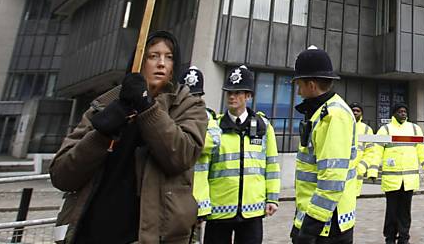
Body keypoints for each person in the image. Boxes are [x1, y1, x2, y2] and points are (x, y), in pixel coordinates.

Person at [50, 31, 207, 244]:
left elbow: (180, 156)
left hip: (148, 235)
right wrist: (100, 135)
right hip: (91, 230)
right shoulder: (104, 104)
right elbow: (62, 175)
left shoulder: (188, 105)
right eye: (153, 56)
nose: (161, 63)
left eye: (168, 57)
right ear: (138, 61)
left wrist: (147, 107)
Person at [203, 65, 281, 244]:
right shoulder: (214, 127)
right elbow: (203, 168)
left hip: (251, 210)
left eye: (238, 92)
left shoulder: (263, 127)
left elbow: (272, 165)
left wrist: (273, 198)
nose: (232, 96)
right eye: (229, 92)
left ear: (248, 95)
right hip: (219, 209)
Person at [291, 46, 359, 244]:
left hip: (326, 225)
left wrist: (309, 230)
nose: (298, 91)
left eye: (299, 84)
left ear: (311, 85)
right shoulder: (322, 112)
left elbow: (331, 179)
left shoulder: (333, 116)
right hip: (320, 220)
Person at [365, 102, 424, 244]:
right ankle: (390, 238)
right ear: (394, 113)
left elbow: (422, 149)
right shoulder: (385, 129)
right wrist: (372, 171)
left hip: (409, 180)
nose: (403, 113)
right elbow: (376, 152)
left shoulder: (415, 129)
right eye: (400, 111)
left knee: (405, 212)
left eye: (405, 111)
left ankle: (404, 238)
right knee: (391, 212)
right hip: (392, 180)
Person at [184, 65, 221, 242]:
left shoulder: (208, 117)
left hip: (198, 197)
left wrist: (184, 139)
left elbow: (213, 142)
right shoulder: (173, 113)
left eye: (195, 96)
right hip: (174, 197)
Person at [351, 102, 375, 179]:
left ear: (361, 114)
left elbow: (370, 152)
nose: (355, 112)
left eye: (358, 111)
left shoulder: (367, 129)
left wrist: (361, 168)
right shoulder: (341, 126)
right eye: (353, 110)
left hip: (357, 172)